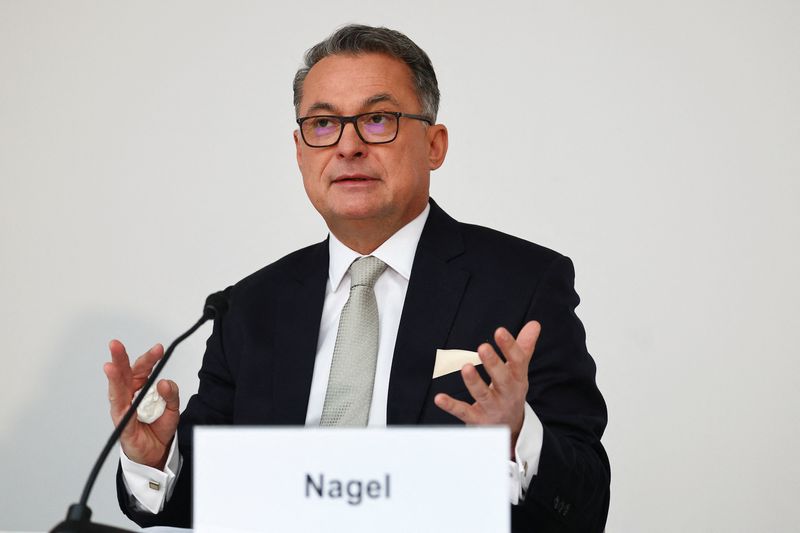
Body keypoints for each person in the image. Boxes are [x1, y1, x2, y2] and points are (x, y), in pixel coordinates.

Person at [104, 24, 610, 532]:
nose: (348, 146)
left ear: (434, 145)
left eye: (377, 119)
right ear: (301, 153)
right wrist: (156, 458)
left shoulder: (522, 283)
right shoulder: (249, 307)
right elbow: (210, 496)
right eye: (323, 124)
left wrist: (517, 436)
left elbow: (586, 504)